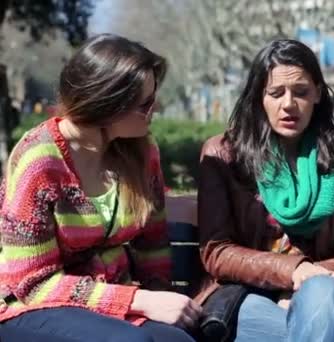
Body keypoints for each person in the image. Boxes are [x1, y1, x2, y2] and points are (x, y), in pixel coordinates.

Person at [0, 34, 200, 342]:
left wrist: (162, 298)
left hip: (110, 299)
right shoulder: (39, 160)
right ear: (106, 105)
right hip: (29, 306)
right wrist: (139, 301)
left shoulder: (142, 153)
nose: (156, 107)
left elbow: (153, 244)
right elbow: (32, 283)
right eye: (145, 104)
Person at [195, 39, 334, 342]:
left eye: (301, 92)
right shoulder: (225, 155)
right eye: (276, 93)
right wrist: (292, 272)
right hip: (243, 297)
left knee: (320, 300)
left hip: (325, 296)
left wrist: (309, 281)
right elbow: (217, 251)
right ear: (259, 97)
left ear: (318, 93)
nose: (288, 104)